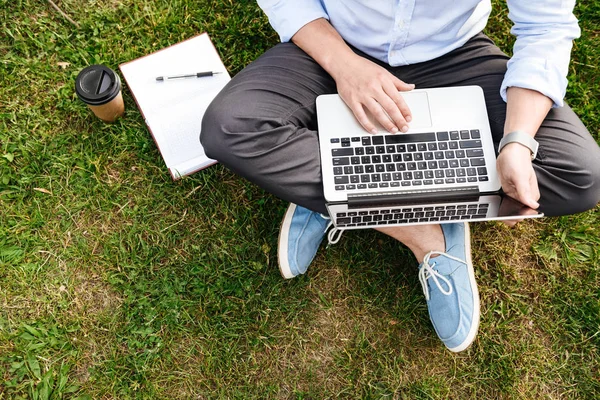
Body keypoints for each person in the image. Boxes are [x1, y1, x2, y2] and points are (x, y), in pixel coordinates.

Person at [200, 1, 600, 352]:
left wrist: (517, 140)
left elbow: (545, 26)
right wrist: (346, 65)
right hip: (336, 43)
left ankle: (332, 182)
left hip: (455, 54)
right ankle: (428, 233)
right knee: (231, 126)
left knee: (579, 174)